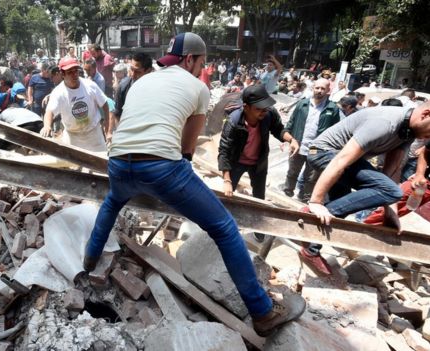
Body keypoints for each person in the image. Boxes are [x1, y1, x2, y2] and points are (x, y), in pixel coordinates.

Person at [83, 32, 305, 337]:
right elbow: (187, 151)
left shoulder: (141, 81)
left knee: (111, 203)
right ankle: (262, 311)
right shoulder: (198, 88)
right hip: (161, 166)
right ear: (190, 59)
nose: (203, 68)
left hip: (119, 163)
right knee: (224, 228)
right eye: (201, 62)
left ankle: (89, 260)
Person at [303, 101, 430, 275]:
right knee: (392, 191)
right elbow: (340, 160)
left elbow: (390, 174)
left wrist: (391, 213)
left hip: (342, 160)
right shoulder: (385, 122)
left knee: (341, 205)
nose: (428, 138)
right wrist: (315, 202)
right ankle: (309, 214)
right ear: (426, 115)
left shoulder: (407, 133)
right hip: (323, 152)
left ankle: (310, 250)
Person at [218, 84, 298, 201]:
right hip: (236, 162)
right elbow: (224, 150)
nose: (263, 111)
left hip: (258, 163)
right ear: (246, 107)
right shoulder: (233, 122)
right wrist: (226, 180)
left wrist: (291, 140)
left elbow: (278, 129)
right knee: (228, 193)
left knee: (259, 197)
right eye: (258, 108)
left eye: (265, 107)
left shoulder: (269, 114)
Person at [281, 78, 340, 201]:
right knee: (292, 171)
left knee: (311, 176)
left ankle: (304, 198)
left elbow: (335, 130)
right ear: (313, 88)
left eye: (323, 88)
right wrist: (287, 139)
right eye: (317, 88)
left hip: (315, 148)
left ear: (328, 90)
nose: (319, 91)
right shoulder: (302, 104)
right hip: (298, 144)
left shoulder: (332, 108)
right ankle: (287, 193)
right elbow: (291, 123)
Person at [40, 57, 109, 152]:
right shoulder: (58, 92)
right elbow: (50, 111)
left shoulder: (90, 85)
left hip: (94, 134)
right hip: (72, 136)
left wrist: (106, 123)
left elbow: (105, 104)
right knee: (71, 165)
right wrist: (47, 126)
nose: (74, 74)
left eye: (75, 71)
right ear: (62, 74)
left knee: (101, 163)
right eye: (70, 72)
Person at [109, 53, 153, 137]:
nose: (133, 74)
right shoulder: (123, 87)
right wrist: (121, 135)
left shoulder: (157, 89)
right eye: (131, 69)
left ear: (148, 71)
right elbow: (117, 115)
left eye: (137, 71)